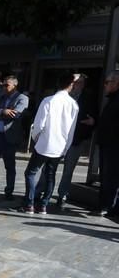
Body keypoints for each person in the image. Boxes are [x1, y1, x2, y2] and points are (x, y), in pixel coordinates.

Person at [18, 74, 79, 215]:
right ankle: (43, 205)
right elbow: (71, 131)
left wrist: (36, 139)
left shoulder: (48, 100)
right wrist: (66, 147)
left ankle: (29, 204)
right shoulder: (73, 105)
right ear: (70, 85)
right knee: (50, 175)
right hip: (59, 145)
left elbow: (38, 125)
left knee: (31, 172)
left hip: (44, 143)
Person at [54, 74, 96, 208]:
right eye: (76, 82)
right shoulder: (62, 96)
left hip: (76, 140)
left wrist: (92, 122)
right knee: (49, 167)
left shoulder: (88, 99)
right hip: (58, 139)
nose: (78, 85)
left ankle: (62, 195)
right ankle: (40, 191)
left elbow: (93, 118)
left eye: (81, 83)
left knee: (68, 170)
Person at [95, 71, 119, 217]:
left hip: (114, 146)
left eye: (108, 82)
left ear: (116, 83)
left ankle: (108, 207)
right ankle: (106, 206)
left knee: (111, 177)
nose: (105, 85)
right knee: (107, 176)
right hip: (107, 144)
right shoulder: (112, 99)